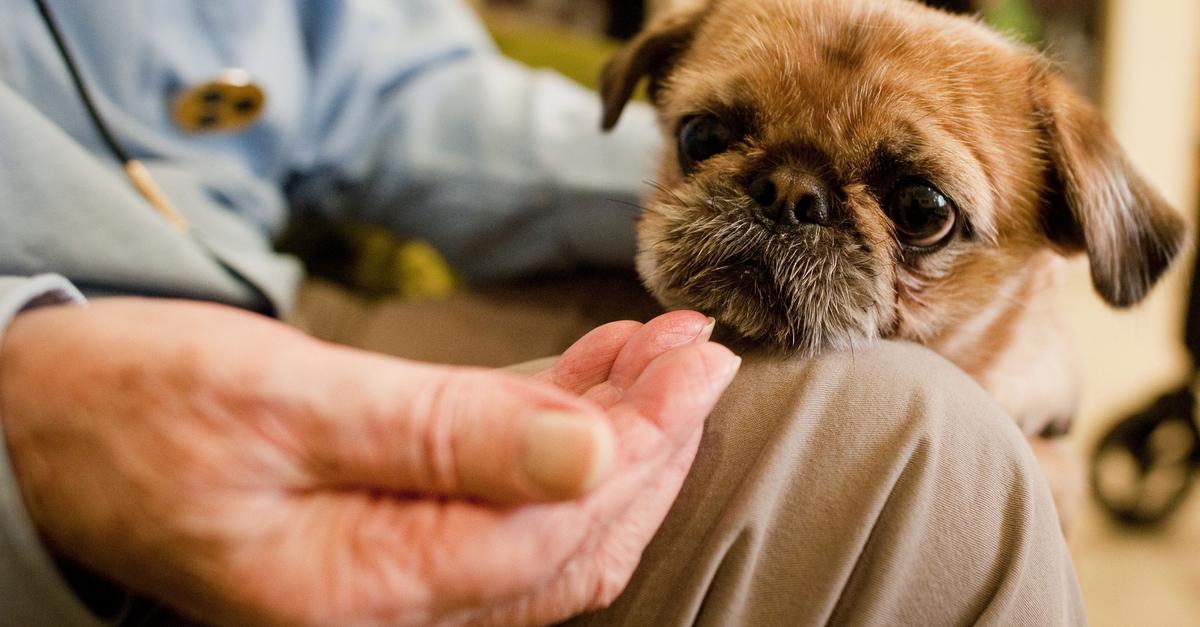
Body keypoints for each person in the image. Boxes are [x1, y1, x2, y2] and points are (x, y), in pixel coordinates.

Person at [0, 1, 1085, 625]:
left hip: (263, 282)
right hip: (52, 348)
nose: (792, 204)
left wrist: (717, 179)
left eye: (916, 210)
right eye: (711, 140)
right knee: (918, 446)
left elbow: (388, 98)